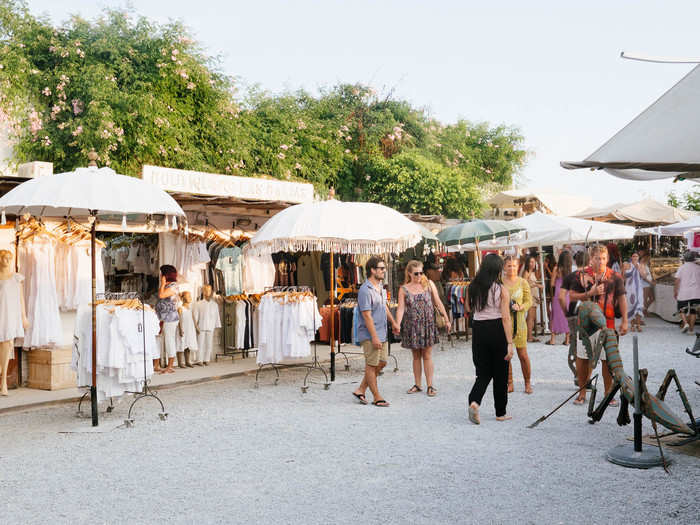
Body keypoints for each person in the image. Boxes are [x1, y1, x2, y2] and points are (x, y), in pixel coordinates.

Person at [561, 245, 627, 405]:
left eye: (604, 258)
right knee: (582, 359)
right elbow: (572, 296)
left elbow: (621, 298)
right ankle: (582, 392)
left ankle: (608, 393)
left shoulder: (615, 277)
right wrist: (590, 293)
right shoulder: (580, 276)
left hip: (608, 323)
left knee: (607, 360)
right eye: (597, 258)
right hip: (586, 324)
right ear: (591, 259)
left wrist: (625, 320)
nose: (601, 261)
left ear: (607, 259)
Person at [467, 254, 514, 424]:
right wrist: (509, 342)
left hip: (479, 329)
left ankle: (474, 401)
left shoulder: (472, 287)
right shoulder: (501, 289)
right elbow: (506, 317)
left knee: (483, 373)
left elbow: (468, 308)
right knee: (501, 373)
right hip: (496, 329)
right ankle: (500, 412)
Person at [396, 260, 449, 397]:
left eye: (421, 272)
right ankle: (417, 384)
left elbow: (438, 302)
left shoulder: (429, 284)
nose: (419, 275)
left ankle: (430, 385)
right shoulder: (403, 289)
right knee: (415, 356)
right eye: (416, 273)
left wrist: (446, 319)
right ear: (409, 273)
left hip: (427, 324)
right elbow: (401, 308)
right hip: (412, 325)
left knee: (427, 355)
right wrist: (397, 323)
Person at [352, 257, 400, 407]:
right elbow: (366, 315)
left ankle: (361, 389)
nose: (384, 271)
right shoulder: (365, 290)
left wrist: (393, 322)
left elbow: (384, 306)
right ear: (372, 270)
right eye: (381, 268)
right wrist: (374, 337)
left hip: (382, 331)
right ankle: (377, 396)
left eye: (384, 268)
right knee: (371, 365)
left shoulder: (381, 288)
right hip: (369, 333)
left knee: (383, 362)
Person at [502, 255, 533, 394]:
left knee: (523, 354)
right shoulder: (500, 282)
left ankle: (527, 382)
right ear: (504, 267)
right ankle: (509, 383)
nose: (512, 268)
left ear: (518, 266)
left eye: (514, 265)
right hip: (505, 323)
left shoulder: (523, 282)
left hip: (519, 323)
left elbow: (529, 301)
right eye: (509, 265)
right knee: (506, 355)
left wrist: (521, 307)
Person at [155, 264, 180, 374]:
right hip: (162, 317)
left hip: (170, 318)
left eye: (162, 273)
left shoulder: (173, 286)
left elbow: (161, 295)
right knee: (157, 340)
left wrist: (163, 283)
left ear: (166, 274)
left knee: (169, 341)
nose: (160, 275)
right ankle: (156, 364)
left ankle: (170, 366)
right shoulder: (167, 285)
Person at [548, 251, 571, 346]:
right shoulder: (570, 270)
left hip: (558, 292)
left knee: (555, 314)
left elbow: (552, 283)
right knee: (566, 315)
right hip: (567, 293)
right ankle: (567, 339)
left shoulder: (556, 269)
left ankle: (553, 339)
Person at [674, 251, 700, 334]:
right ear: (693, 259)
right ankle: (691, 330)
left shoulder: (682, 267)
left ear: (685, 258)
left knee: (681, 309)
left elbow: (677, 280)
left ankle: (685, 323)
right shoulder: (698, 268)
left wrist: (675, 291)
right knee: (693, 311)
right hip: (696, 292)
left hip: (684, 292)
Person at [623, 252, 645, 332]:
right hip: (629, 289)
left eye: (636, 256)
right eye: (633, 256)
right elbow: (623, 277)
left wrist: (638, 268)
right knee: (630, 306)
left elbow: (644, 276)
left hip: (638, 289)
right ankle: (632, 325)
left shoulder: (641, 265)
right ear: (631, 257)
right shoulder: (626, 265)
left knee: (639, 306)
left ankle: (638, 325)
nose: (635, 257)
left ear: (638, 257)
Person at [522, 255, 542, 343]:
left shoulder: (532, 272)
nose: (533, 264)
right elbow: (524, 285)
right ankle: (529, 337)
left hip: (534, 296)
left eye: (534, 262)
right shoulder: (526, 272)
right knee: (530, 317)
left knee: (532, 317)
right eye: (531, 262)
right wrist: (536, 285)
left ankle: (528, 335)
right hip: (529, 296)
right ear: (527, 263)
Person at [177, 291, 197, 367]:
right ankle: (180, 362)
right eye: (188, 296)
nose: (190, 298)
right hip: (183, 328)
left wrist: (196, 327)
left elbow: (193, 318)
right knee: (181, 344)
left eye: (190, 296)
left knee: (188, 345)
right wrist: (180, 329)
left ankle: (187, 361)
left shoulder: (190, 308)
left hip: (190, 328)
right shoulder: (180, 308)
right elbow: (179, 319)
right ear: (183, 298)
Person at [640, 250, 655, 316]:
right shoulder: (642, 265)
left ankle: (644, 310)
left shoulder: (645, 265)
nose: (649, 259)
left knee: (652, 298)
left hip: (648, 284)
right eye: (649, 258)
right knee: (645, 299)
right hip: (645, 284)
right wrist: (651, 282)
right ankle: (643, 312)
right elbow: (643, 277)